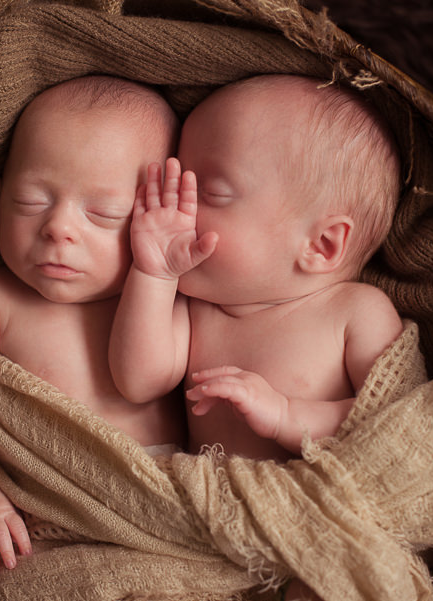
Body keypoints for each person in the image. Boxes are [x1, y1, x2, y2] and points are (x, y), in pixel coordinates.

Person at [0, 75, 183, 576]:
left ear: (157, 217)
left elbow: (149, 381)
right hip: (51, 529)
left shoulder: (171, 294)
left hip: (167, 510)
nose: (58, 227)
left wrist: (155, 275)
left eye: (103, 214)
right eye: (31, 201)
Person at [110, 73, 403, 463]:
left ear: (321, 245)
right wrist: (154, 275)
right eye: (177, 185)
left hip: (313, 501)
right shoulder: (195, 307)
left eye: (211, 193)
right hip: (209, 506)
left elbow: (399, 421)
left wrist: (288, 415)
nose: (180, 210)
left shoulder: (357, 311)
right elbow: (137, 383)